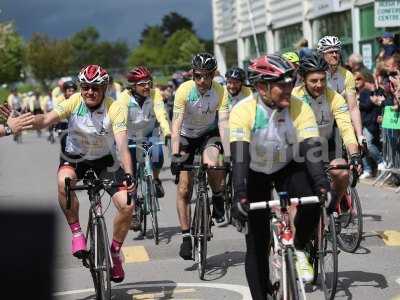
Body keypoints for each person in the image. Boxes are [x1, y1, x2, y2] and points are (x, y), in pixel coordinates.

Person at [230, 54, 330, 299]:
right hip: (254, 170)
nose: (288, 89)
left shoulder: (299, 107)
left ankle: (298, 247)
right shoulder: (243, 110)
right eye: (282, 85)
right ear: (262, 87)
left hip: (288, 164)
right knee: (257, 240)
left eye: (290, 83)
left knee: (312, 202)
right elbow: (239, 158)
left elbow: (312, 149)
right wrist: (240, 194)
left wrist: (322, 184)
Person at [27, 65, 135, 283]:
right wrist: (27, 120)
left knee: (128, 204)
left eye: (95, 88)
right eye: (85, 87)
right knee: (63, 182)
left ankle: (115, 253)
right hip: (75, 159)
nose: (90, 92)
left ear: (104, 88)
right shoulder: (74, 101)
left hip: (104, 161)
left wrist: (129, 174)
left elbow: (122, 146)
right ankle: (77, 232)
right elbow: (47, 119)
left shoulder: (114, 108)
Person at [170, 52, 230, 260]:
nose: (202, 81)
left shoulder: (221, 91)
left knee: (212, 164)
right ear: (192, 75)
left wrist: (229, 154)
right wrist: (175, 154)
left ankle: (218, 196)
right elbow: (176, 125)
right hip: (186, 136)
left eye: (206, 76)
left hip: (208, 134)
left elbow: (223, 124)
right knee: (184, 187)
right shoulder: (184, 91)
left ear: (213, 74)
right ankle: (186, 236)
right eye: (197, 76)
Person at [292, 52, 362, 211]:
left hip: (328, 143)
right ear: (303, 80)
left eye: (323, 80)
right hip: (301, 146)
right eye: (313, 81)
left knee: (342, 172)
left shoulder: (335, 97)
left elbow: (346, 128)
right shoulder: (293, 97)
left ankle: (334, 204)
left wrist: (355, 155)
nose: (319, 85)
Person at [117, 66, 171, 230]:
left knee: (158, 155)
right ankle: (133, 212)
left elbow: (161, 114)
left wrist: (167, 132)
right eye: (142, 84)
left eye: (149, 83)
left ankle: (155, 179)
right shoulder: (123, 99)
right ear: (133, 86)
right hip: (131, 137)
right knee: (130, 175)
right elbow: (119, 121)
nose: (147, 87)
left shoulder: (155, 95)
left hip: (150, 133)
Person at [317, 36, 364, 144]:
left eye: (337, 51)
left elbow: (353, 107)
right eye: (330, 52)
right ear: (322, 55)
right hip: (317, 125)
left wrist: (360, 135)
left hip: (339, 124)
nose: (334, 55)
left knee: (342, 158)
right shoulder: (316, 75)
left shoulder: (347, 75)